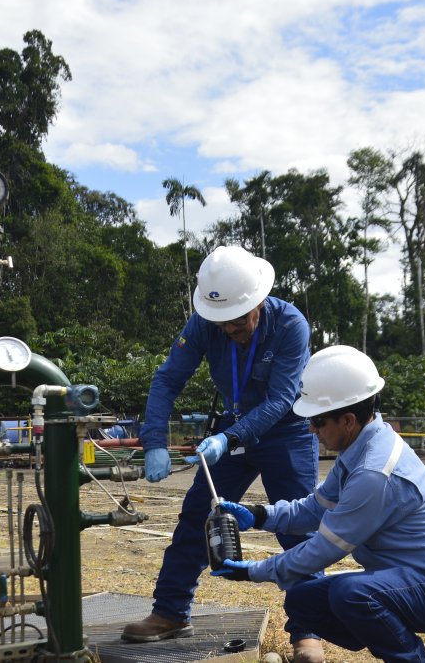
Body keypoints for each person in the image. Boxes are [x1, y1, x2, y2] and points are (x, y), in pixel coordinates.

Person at [121, 246, 325, 662]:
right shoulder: (204, 323)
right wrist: (153, 441)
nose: (230, 329)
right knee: (197, 518)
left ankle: (308, 631)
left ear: (258, 302)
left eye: (238, 320)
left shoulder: (291, 324)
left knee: (298, 530)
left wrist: (226, 440)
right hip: (233, 428)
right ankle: (170, 613)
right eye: (222, 322)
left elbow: (282, 398)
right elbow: (167, 380)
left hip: (285, 431)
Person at [214, 345, 425, 663]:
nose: (311, 429)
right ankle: (398, 641)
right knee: (302, 601)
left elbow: (324, 549)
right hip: (408, 580)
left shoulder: (373, 472)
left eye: (318, 420)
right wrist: (258, 515)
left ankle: (414, 658)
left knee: (350, 595)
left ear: (348, 420)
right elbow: (315, 509)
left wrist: (256, 571)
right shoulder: (361, 446)